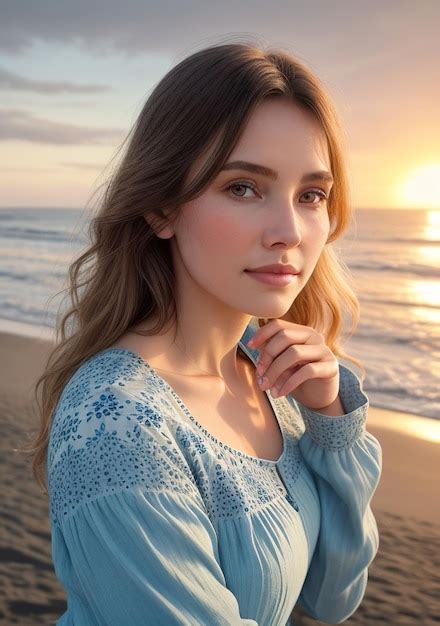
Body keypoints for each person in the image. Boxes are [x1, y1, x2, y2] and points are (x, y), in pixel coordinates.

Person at [29, 40, 382, 625]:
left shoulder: (273, 378)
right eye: (243, 186)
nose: (289, 230)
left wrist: (331, 426)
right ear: (161, 207)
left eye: (311, 195)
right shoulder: (114, 422)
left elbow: (332, 596)